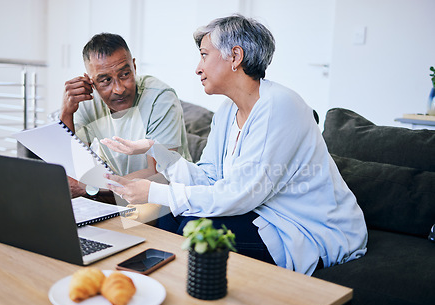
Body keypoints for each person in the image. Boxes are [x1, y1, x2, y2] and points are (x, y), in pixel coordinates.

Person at [100, 15, 368, 275]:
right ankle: (137, 286)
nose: (198, 67)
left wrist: (154, 192)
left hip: (306, 228)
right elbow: (209, 177)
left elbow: (240, 194)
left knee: (195, 231)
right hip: (262, 212)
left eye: (204, 55)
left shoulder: (279, 105)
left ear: (235, 57)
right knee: (167, 217)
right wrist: (153, 148)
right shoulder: (228, 111)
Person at [60, 33, 191, 202]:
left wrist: (89, 187)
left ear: (134, 66)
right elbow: (70, 166)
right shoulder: (88, 100)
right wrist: (66, 113)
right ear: (90, 82)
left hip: (166, 196)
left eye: (124, 74)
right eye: (106, 80)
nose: (119, 89)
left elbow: (159, 174)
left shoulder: (160, 98)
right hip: (115, 194)